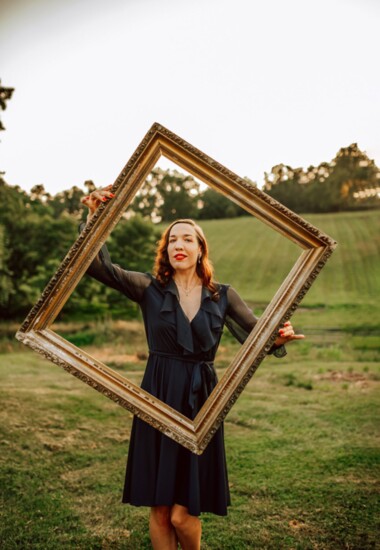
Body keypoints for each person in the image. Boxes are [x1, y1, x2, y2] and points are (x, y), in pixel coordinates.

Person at [81, 185, 304, 550]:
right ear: (166, 250)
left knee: (183, 515)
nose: (179, 244)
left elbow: (259, 336)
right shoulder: (149, 289)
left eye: (188, 238)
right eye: (172, 240)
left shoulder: (223, 295)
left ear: (201, 248)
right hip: (157, 393)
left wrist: (279, 337)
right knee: (160, 509)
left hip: (201, 399)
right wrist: (95, 216)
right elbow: (95, 265)